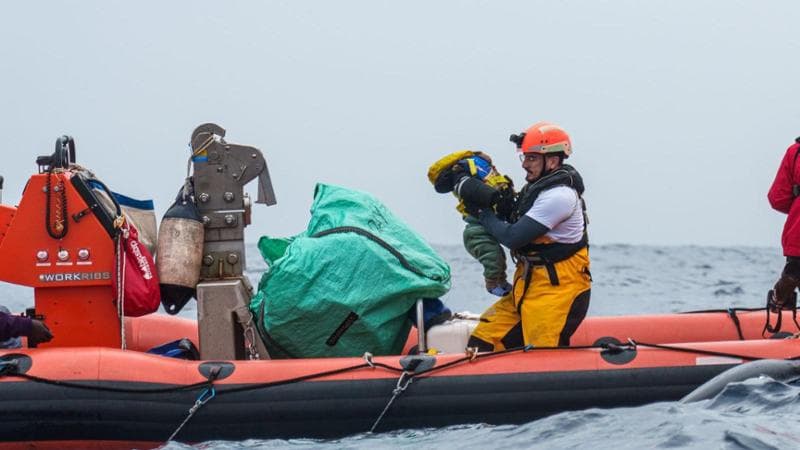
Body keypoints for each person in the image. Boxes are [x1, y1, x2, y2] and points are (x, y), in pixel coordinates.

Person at [460, 122, 592, 350]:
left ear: (552, 160)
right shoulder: (536, 191)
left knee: (541, 355)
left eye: (531, 158)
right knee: (481, 342)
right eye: (525, 158)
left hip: (557, 292)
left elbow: (513, 237)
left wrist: (481, 213)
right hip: (528, 285)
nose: (525, 165)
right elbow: (510, 215)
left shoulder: (559, 197)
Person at [428, 151, 515, 296]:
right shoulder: (462, 173)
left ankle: (501, 282)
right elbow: (468, 188)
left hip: (495, 220)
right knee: (493, 256)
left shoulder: (480, 169)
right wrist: (492, 197)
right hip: (477, 226)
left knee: (497, 255)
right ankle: (494, 282)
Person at [767, 137, 800, 311]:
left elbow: (777, 198)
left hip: (798, 228)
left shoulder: (795, 152)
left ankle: (777, 302)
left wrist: (796, 207)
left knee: (793, 272)